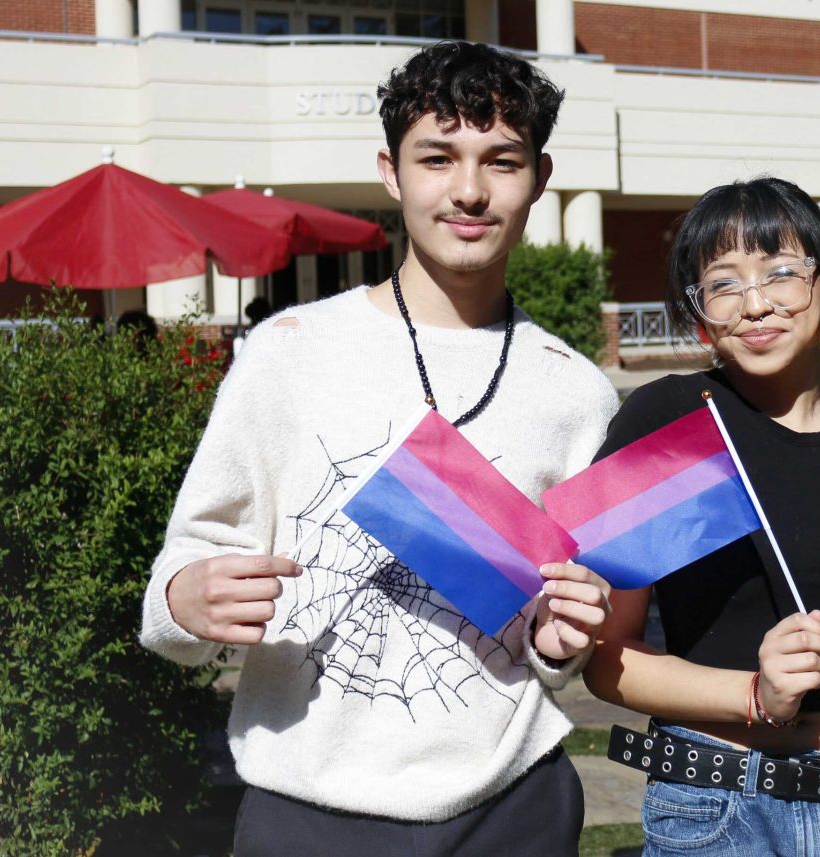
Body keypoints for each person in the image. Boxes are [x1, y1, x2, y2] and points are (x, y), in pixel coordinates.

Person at [140, 41, 618, 857]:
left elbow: (560, 628)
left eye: (501, 161)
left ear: (540, 178)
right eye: (437, 158)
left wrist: (561, 641)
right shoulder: (289, 351)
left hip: (514, 808)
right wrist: (185, 599)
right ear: (391, 173)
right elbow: (184, 567)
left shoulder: (578, 392)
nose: (469, 190)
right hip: (306, 811)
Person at [583, 177, 820, 856]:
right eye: (723, 283)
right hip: (718, 812)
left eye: (782, 272)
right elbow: (607, 658)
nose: (755, 303)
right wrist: (753, 694)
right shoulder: (668, 422)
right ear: (699, 309)